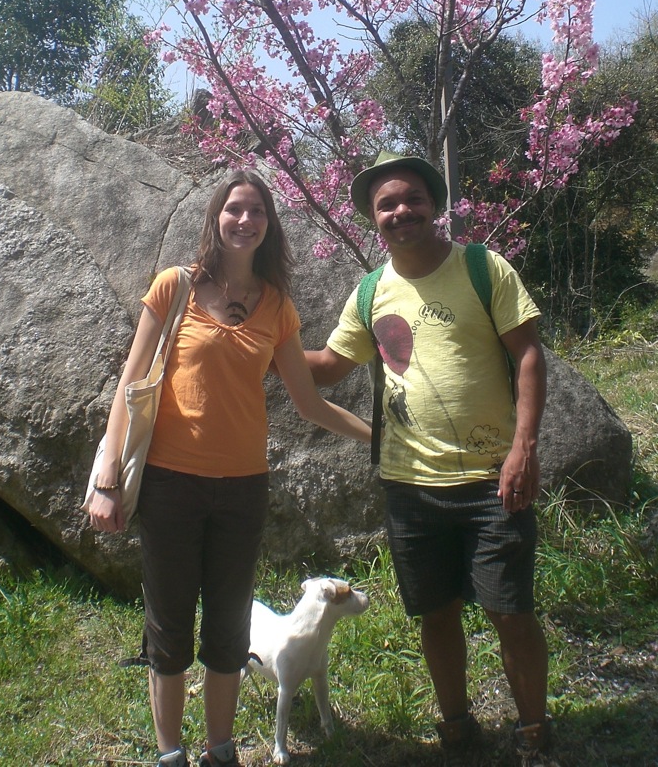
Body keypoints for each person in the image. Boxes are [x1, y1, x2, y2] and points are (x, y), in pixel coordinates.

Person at [87, 169, 371, 767]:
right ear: (216, 217)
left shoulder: (276, 307)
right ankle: (171, 754)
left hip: (243, 490)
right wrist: (108, 479)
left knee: (227, 631)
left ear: (270, 226)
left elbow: (309, 402)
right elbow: (131, 383)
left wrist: (379, 439)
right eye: (235, 209)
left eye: (257, 212)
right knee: (168, 629)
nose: (245, 221)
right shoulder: (176, 288)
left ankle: (221, 751)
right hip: (169, 484)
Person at [304, 152, 555, 767]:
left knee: (510, 611)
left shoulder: (481, 268)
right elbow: (332, 368)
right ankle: (457, 728)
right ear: (371, 218)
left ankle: (534, 734)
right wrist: (260, 346)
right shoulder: (371, 291)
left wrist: (524, 448)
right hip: (409, 487)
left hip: (493, 480)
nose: (400, 212)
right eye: (386, 204)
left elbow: (528, 355)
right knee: (435, 614)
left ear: (435, 206)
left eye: (412, 199)